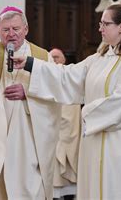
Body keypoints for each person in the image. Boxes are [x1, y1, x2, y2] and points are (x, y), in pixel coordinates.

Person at [13, 4, 121, 199]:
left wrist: (87, 113)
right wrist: (31, 64)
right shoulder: (100, 57)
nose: (100, 28)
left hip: (120, 145)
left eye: (105, 23)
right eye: (100, 23)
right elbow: (68, 76)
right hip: (95, 142)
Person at [0, 6, 61, 199]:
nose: (11, 34)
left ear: (26, 29)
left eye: (16, 29)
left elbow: (56, 92)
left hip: (27, 134)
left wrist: (28, 93)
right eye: (5, 30)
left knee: (27, 185)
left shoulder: (42, 56)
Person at [49, 48, 81, 199]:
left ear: (64, 61)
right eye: (51, 57)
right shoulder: (46, 79)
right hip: (51, 136)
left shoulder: (70, 78)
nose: (54, 60)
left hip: (68, 132)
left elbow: (71, 115)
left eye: (57, 57)